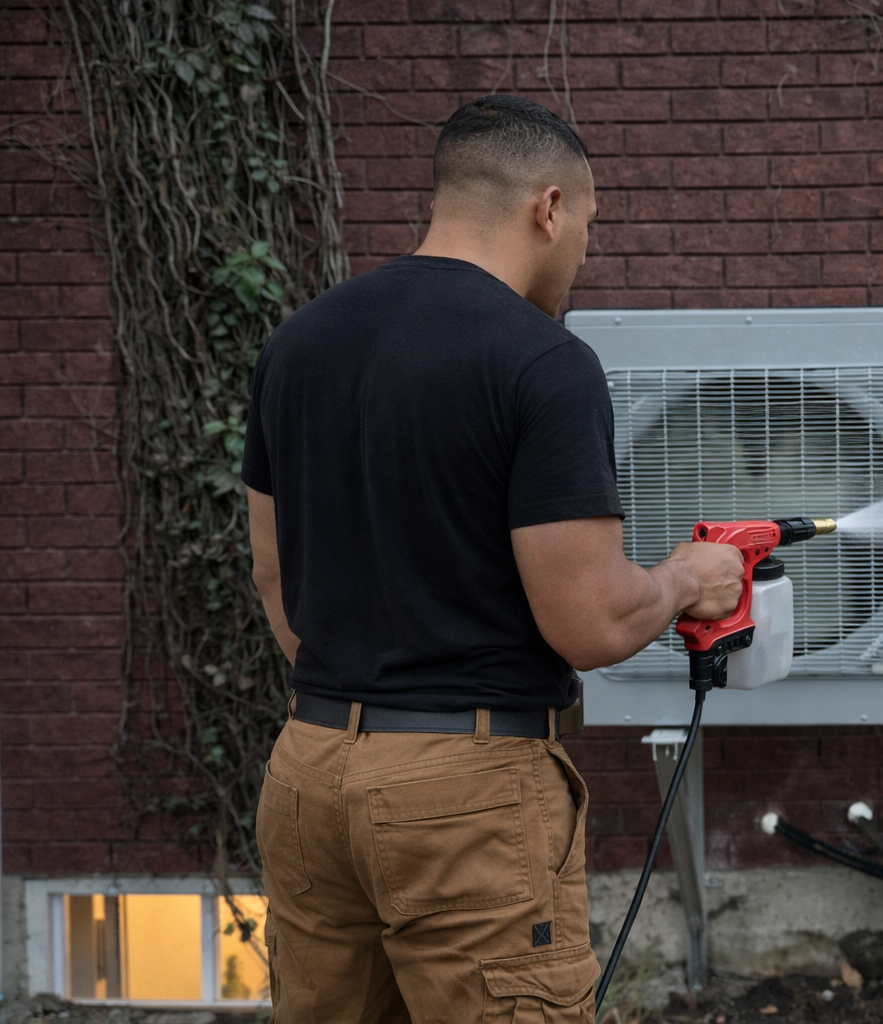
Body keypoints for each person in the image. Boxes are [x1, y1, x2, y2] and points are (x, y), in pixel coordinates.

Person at [244, 94, 743, 1024]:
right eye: (588, 226)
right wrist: (687, 580)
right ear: (547, 208)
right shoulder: (540, 361)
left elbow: (277, 579)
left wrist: (365, 708)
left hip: (310, 769)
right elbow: (590, 623)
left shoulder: (297, 344)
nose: (584, 254)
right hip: (462, 792)